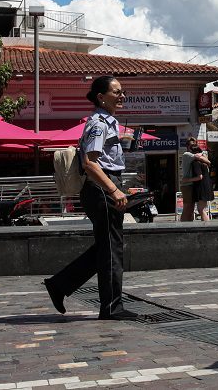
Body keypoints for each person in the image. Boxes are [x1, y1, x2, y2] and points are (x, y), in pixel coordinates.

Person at [44, 76, 137, 320]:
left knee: (108, 246)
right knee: (111, 248)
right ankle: (110, 308)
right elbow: (90, 163)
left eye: (122, 92)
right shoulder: (98, 124)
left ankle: (60, 285)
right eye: (117, 92)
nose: (122, 97)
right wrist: (113, 190)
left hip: (103, 185)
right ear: (101, 97)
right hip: (101, 186)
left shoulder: (107, 122)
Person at [179, 138, 210, 222]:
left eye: (194, 145)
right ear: (188, 146)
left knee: (191, 209)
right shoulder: (187, 154)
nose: (193, 147)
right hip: (187, 184)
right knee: (187, 208)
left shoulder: (195, 158)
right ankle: (184, 227)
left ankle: (189, 227)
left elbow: (207, 161)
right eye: (191, 145)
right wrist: (202, 154)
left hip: (192, 184)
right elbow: (204, 160)